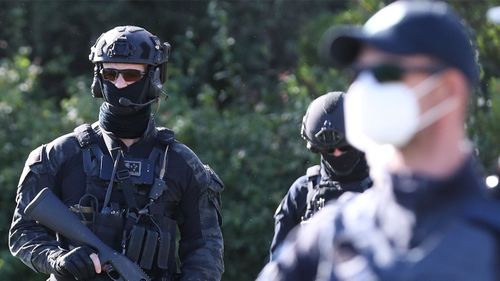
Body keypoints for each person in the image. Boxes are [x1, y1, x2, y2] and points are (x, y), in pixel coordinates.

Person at [257, 1, 500, 280]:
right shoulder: (327, 236)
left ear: (447, 90)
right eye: (360, 73)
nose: (366, 89)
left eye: (385, 73)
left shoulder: (491, 237)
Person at [9, 26, 224, 281]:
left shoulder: (182, 163)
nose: (119, 84)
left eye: (131, 75)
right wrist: (56, 259)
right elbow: (23, 232)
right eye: (110, 73)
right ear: (98, 78)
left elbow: (205, 250)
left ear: (153, 79)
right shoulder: (59, 155)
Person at [269, 91, 371, 261]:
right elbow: (278, 264)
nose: (337, 154)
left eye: (345, 148)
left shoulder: (386, 189)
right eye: (329, 150)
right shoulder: (302, 193)